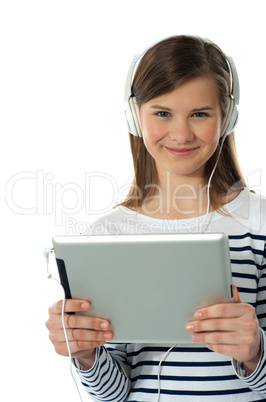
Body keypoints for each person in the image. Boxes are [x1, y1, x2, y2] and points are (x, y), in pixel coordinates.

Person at [46, 35, 266, 401]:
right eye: (162, 113)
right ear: (135, 116)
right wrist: (85, 355)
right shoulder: (106, 236)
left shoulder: (259, 225)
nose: (181, 134)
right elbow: (113, 394)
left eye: (200, 113)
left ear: (227, 118)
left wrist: (255, 352)